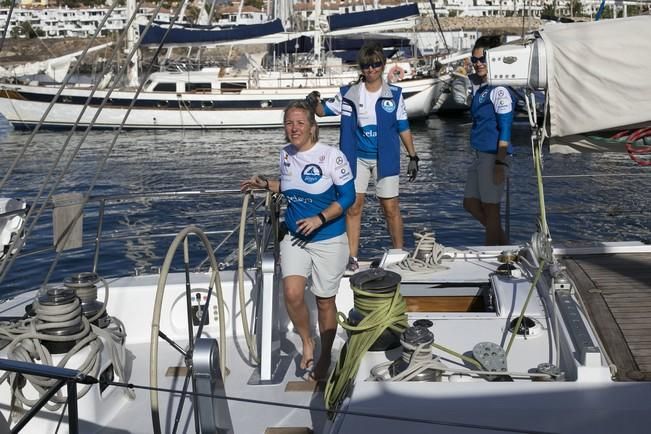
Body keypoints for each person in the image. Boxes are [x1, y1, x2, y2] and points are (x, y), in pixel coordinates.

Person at [241, 100, 355, 381]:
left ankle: (326, 355)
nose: (294, 128)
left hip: (328, 238)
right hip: (294, 236)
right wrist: (267, 184)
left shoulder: (332, 156)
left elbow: (348, 197)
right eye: (289, 123)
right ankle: (307, 340)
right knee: (291, 293)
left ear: (312, 127)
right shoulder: (285, 155)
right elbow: (292, 186)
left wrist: (319, 218)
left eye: (300, 123)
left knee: (324, 301)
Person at [307, 41, 419, 272]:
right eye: (367, 65)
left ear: (382, 65)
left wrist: (413, 156)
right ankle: (352, 258)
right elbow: (323, 112)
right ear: (361, 68)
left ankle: (398, 255)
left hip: (385, 159)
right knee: (353, 207)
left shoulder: (395, 95)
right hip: (355, 158)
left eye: (376, 64)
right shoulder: (348, 93)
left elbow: (403, 127)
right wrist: (314, 102)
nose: (371, 69)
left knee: (390, 208)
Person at [463, 36, 514, 245]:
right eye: (474, 60)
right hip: (480, 155)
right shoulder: (482, 89)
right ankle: (504, 244)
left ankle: (494, 256)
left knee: (492, 211)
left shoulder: (499, 90)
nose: (478, 64)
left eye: (483, 59)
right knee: (470, 204)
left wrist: (500, 164)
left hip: (494, 157)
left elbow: (506, 128)